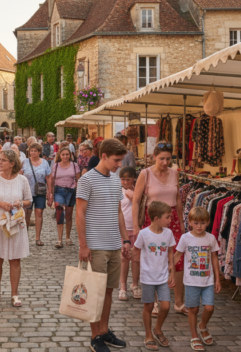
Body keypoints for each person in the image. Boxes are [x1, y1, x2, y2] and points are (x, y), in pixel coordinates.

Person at [76, 138, 130, 352]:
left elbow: (118, 212)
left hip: (114, 244)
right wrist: (83, 245)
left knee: (108, 291)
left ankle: (104, 330)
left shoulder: (116, 180)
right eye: (117, 160)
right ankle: (95, 336)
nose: (119, 165)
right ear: (104, 156)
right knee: (95, 292)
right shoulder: (87, 180)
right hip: (95, 245)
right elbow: (79, 213)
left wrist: (125, 239)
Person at [132, 140, 188, 316]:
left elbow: (178, 199)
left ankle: (179, 302)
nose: (165, 162)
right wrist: (135, 225)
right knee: (155, 259)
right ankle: (155, 302)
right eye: (161, 158)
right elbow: (136, 200)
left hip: (172, 219)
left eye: (168, 159)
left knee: (178, 260)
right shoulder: (146, 173)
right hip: (153, 219)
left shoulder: (174, 173)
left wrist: (181, 221)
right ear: (154, 157)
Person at [0, 150, 32, 307]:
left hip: (15, 223)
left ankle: (14, 294)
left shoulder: (22, 180)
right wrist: (1, 204)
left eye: (4, 160)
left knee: (15, 259)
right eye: (0, 160)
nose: (0, 162)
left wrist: (20, 203)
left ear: (12, 163)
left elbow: (29, 201)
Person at [174, 207, 221, 351]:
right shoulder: (185, 238)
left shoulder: (210, 238)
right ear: (190, 222)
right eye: (196, 223)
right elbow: (177, 255)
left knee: (209, 307)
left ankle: (202, 326)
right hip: (191, 281)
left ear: (207, 222)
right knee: (193, 309)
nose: (199, 226)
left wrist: (218, 279)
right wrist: (168, 270)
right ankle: (194, 335)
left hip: (208, 281)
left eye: (202, 223)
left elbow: (214, 258)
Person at [132, 201, 176, 350]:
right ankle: (148, 334)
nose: (170, 220)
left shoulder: (168, 233)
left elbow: (170, 251)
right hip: (148, 277)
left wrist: (172, 271)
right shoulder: (144, 234)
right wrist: (137, 272)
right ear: (156, 218)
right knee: (149, 306)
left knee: (165, 305)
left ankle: (158, 329)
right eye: (168, 217)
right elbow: (136, 250)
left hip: (163, 276)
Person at [47, 146, 80, 248]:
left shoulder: (74, 166)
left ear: (70, 155)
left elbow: (79, 181)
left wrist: (79, 194)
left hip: (71, 191)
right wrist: (50, 194)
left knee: (69, 215)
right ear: (60, 156)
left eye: (67, 154)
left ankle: (68, 238)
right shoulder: (56, 166)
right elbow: (52, 181)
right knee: (59, 213)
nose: (65, 156)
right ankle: (59, 239)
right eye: (63, 154)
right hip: (59, 191)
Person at [21, 143, 51, 244]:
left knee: (39, 213)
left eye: (35, 151)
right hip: (27, 192)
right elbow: (19, 176)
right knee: (27, 214)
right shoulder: (24, 162)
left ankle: (38, 238)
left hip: (40, 191)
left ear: (39, 152)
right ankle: (24, 237)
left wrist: (50, 192)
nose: (32, 153)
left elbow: (48, 178)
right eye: (31, 151)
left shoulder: (45, 163)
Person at [118, 166, 140, 300]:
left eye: (128, 179)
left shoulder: (139, 191)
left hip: (136, 228)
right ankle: (123, 287)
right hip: (124, 230)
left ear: (133, 179)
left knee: (136, 259)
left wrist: (134, 197)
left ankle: (135, 284)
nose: (125, 182)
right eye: (123, 179)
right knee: (124, 258)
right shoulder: (118, 192)